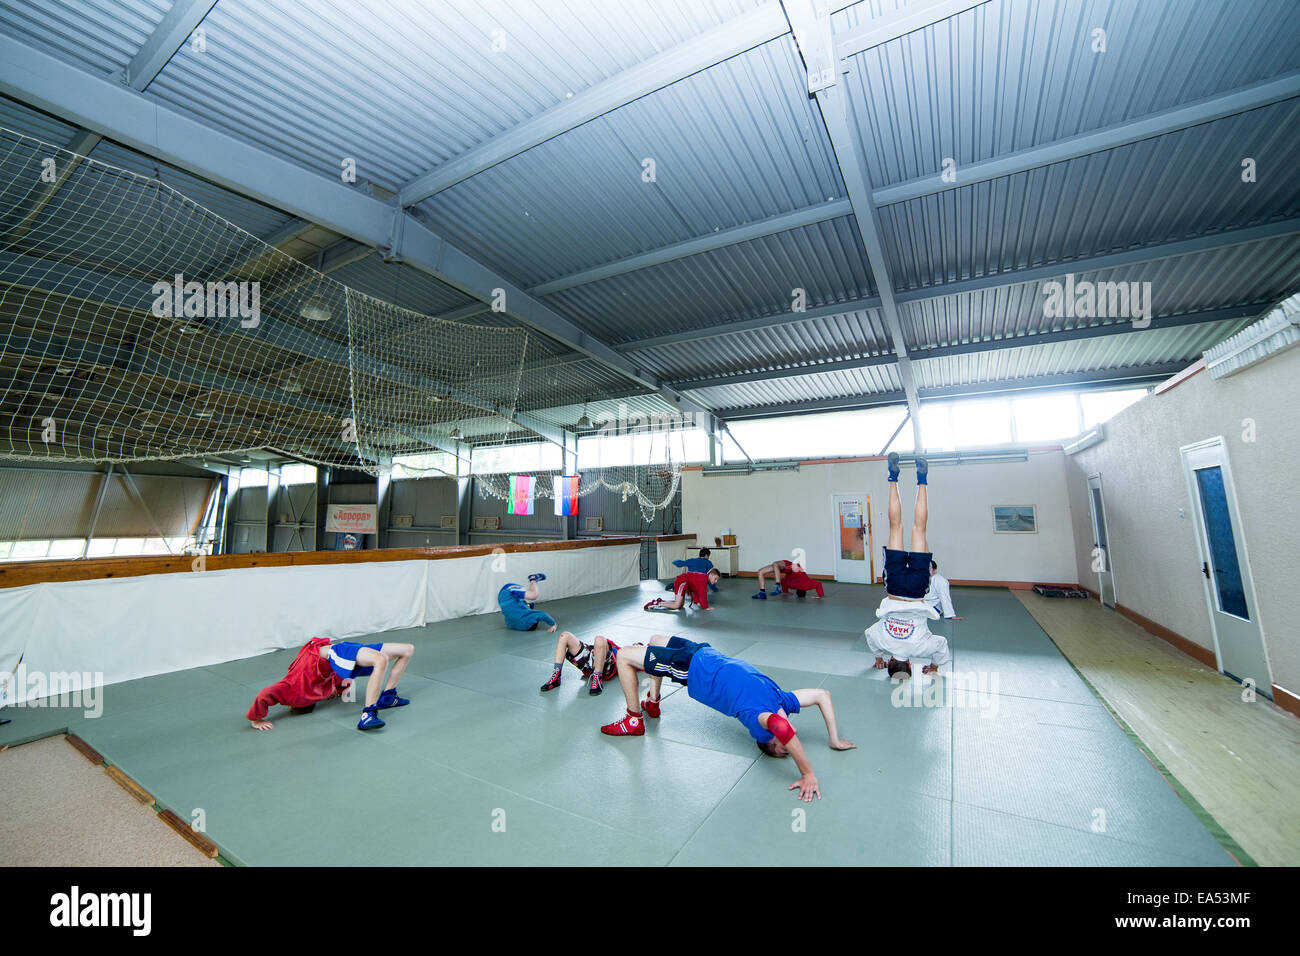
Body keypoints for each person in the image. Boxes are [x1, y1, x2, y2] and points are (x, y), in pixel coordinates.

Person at [599, 635, 855, 801]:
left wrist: (807, 773)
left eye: (783, 747)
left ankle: (633, 719)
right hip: (704, 651)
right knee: (656, 639)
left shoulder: (760, 720)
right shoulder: (784, 702)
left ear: (767, 739)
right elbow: (823, 694)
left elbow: (782, 728)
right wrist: (833, 739)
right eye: (788, 748)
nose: (790, 741)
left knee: (623, 656)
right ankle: (652, 702)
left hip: (693, 668)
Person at [865, 452, 950, 677]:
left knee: (919, 529)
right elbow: (869, 635)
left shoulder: (920, 649)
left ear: (910, 664)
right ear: (891, 661)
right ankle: (893, 476)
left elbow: (941, 645)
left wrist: (934, 666)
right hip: (894, 588)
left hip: (915, 591)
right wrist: (878, 657)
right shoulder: (883, 642)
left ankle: (922, 479)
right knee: (896, 527)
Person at [247, 636, 415, 731]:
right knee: (392, 655)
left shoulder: (291, 689)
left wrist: (256, 720)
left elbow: (265, 694)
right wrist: (256, 719)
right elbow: (264, 694)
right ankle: (368, 714)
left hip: (337, 651)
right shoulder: (318, 689)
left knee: (404, 651)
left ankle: (387, 697)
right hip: (337, 652)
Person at [540, 630, 621, 695]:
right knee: (564, 636)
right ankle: (556, 677)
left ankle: (597, 677)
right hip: (589, 659)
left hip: (604, 665)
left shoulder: (620, 653)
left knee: (600, 639)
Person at [644, 569, 720, 612]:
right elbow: (702, 594)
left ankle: (661, 601)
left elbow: (697, 591)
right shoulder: (703, 580)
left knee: (681, 605)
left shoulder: (704, 579)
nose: (715, 581)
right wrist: (705, 607)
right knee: (677, 605)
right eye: (715, 579)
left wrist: (697, 602)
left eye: (717, 580)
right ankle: (657, 603)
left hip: (683, 582)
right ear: (710, 575)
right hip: (681, 582)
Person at [752, 559, 824, 599]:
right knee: (773, 565)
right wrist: (819, 596)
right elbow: (784, 584)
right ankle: (763, 593)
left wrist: (820, 595)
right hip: (788, 570)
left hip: (792, 568)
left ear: (804, 590)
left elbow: (818, 584)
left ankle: (765, 591)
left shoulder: (804, 584)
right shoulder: (791, 585)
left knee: (762, 570)